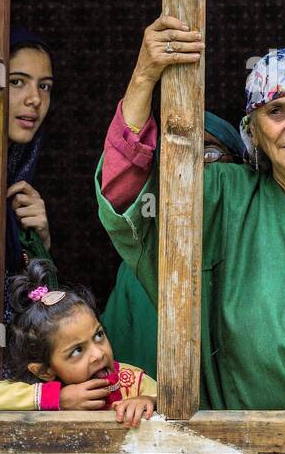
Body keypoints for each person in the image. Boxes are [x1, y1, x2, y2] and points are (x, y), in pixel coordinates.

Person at [96, 22, 285, 447]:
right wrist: (144, 75)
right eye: (275, 112)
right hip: (238, 450)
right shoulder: (222, 194)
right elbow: (125, 195)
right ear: (253, 129)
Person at [100, 112, 244, 379]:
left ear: (243, 169)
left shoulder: (257, 249)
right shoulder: (140, 266)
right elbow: (111, 365)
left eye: (210, 155)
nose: (193, 171)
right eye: (177, 156)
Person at [0, 258, 157, 425]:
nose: (98, 354)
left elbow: (173, 402)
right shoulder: (41, 389)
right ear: (44, 371)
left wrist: (148, 401)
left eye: (98, 336)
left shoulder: (133, 381)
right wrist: (57, 398)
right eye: (77, 351)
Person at [4, 27, 55, 325]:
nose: (34, 98)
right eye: (17, 82)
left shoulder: (20, 181)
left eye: (45, 86)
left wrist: (40, 243)